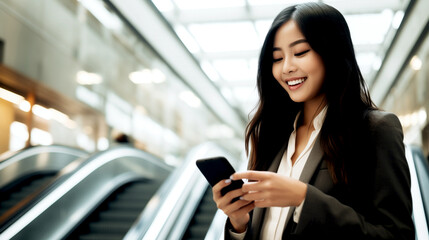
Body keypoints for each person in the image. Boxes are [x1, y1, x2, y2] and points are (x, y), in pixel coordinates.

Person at [212, 2, 414, 240]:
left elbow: (396, 234)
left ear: (332, 53)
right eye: (277, 58)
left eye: (300, 52)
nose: (286, 67)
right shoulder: (271, 136)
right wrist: (238, 223)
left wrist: (304, 198)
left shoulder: (375, 130)